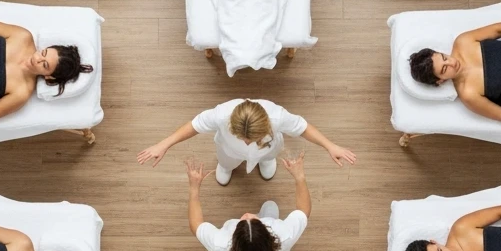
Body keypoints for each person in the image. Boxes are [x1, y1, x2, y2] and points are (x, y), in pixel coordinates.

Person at [137, 98, 355, 183]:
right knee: (226, 160)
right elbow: (193, 126)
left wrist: (330, 145)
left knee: (269, 155)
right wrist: (164, 144)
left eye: (253, 139)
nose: (248, 142)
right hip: (228, 151)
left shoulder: (278, 116)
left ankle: (265, 161)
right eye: (243, 138)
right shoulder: (220, 114)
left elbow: (303, 127)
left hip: (269, 150)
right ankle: (227, 166)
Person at [187, 153, 310, 251]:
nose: (246, 215)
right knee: (271, 206)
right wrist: (299, 177)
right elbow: (303, 211)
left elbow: (196, 225)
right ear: (268, 235)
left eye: (241, 222)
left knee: (270, 206)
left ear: (234, 239)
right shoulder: (284, 235)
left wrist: (194, 188)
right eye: (254, 220)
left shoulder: (220, 244)